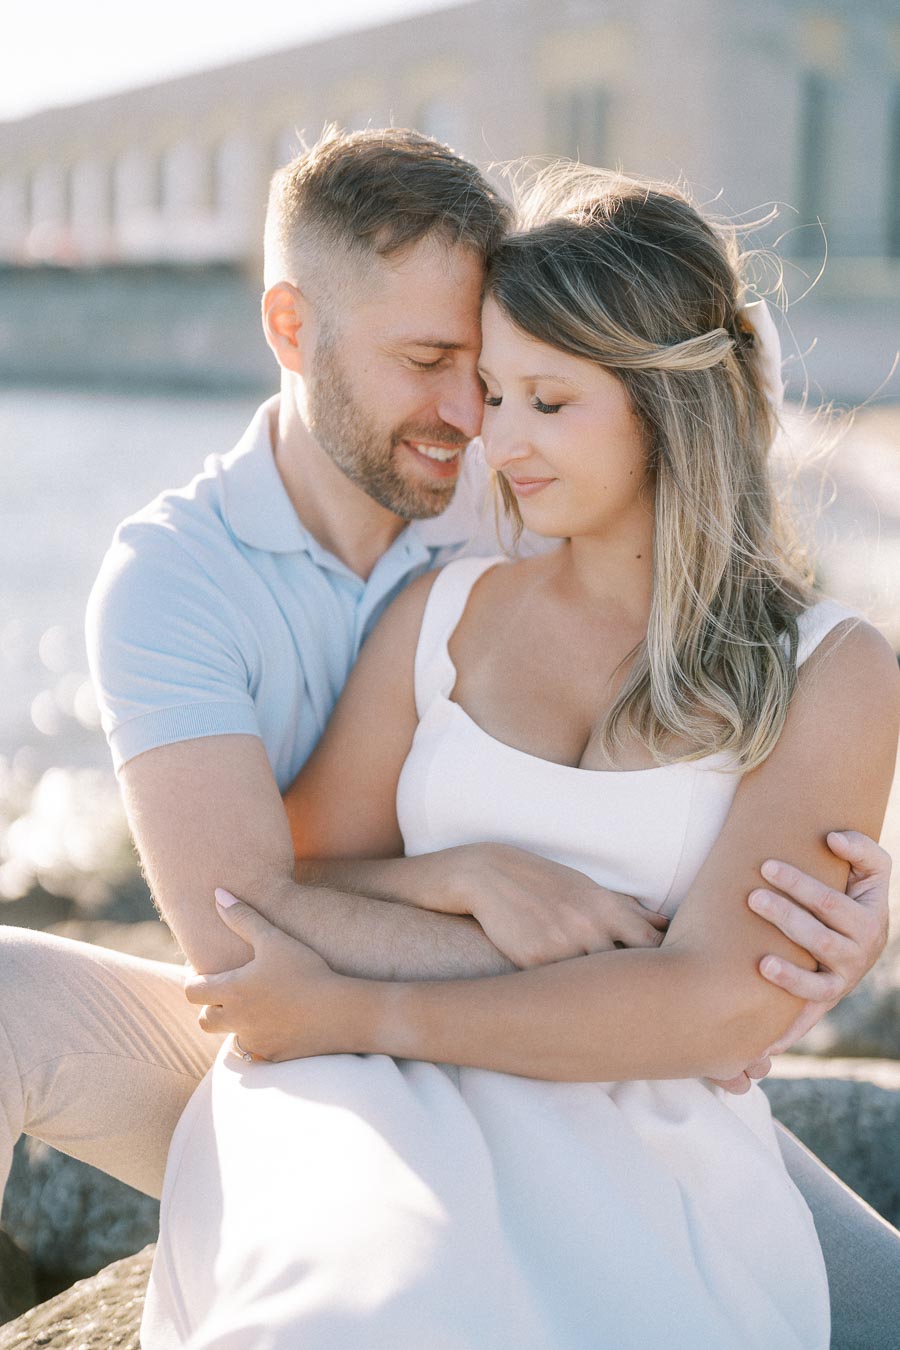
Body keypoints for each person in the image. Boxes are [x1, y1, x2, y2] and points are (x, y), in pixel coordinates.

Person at [0, 129, 890, 1337]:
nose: (476, 420)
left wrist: (790, 953)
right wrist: (640, 963)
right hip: (329, 1037)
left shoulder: (510, 484)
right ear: (292, 330)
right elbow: (247, 921)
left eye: (502, 377)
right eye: (433, 364)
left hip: (625, 1096)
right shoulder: (186, 580)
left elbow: (704, 404)